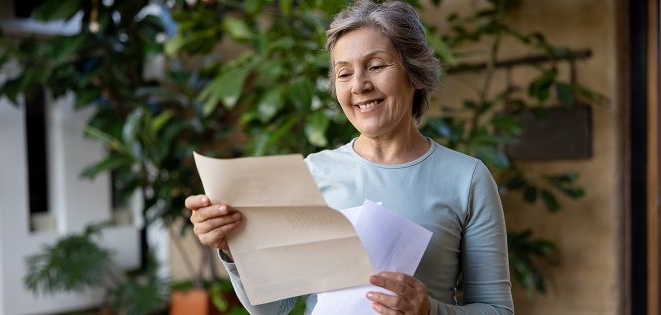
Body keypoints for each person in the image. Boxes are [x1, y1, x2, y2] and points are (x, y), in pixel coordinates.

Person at [185, 1, 514, 314]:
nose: (359, 85)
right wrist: (232, 248)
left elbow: (497, 309)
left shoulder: (467, 178)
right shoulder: (313, 173)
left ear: (414, 74)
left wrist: (429, 311)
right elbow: (274, 308)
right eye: (344, 74)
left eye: (375, 66)